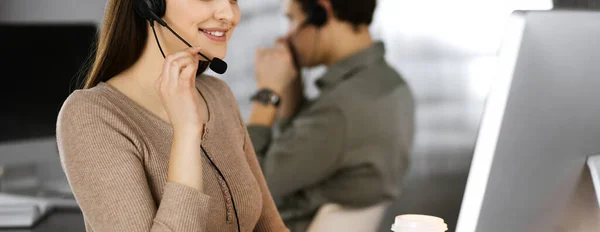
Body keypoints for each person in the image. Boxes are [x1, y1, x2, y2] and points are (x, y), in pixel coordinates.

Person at [56, 0, 288, 231]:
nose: (229, 14)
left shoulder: (219, 95)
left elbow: (272, 228)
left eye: (233, 0)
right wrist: (186, 130)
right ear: (151, 4)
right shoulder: (92, 116)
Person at [247, 0, 415, 230]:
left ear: (321, 12)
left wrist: (266, 94)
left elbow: (246, 187)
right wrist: (289, 86)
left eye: (292, 19)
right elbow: (301, 151)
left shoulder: (341, 109)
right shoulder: (390, 85)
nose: (287, 35)